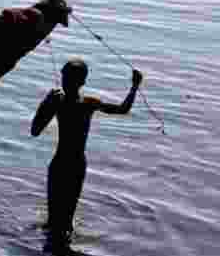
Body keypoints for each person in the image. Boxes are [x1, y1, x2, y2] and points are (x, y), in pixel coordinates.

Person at [31, 58, 142, 242]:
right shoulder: (84, 103)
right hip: (68, 164)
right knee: (58, 223)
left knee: (61, 223)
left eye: (68, 78)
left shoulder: (66, 102)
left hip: (66, 165)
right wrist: (134, 87)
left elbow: (35, 130)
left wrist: (45, 103)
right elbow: (123, 109)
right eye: (64, 77)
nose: (65, 82)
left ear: (81, 82)